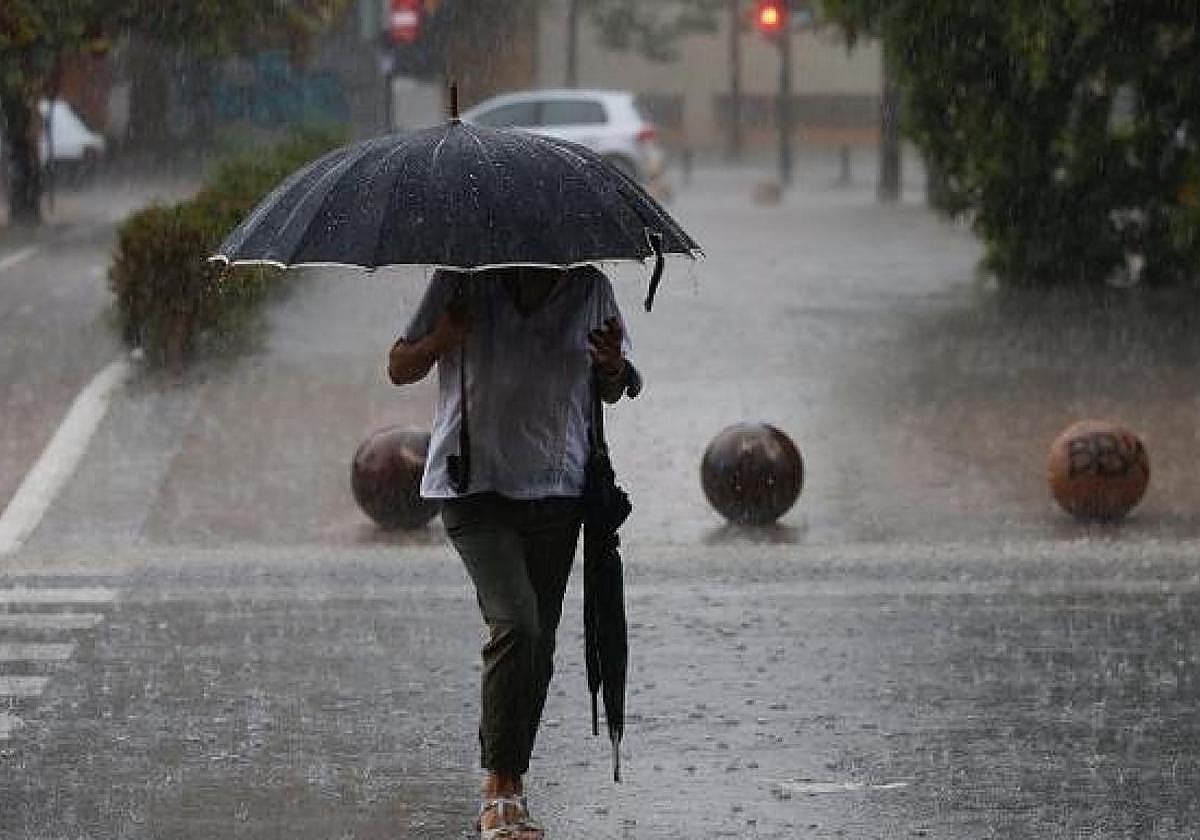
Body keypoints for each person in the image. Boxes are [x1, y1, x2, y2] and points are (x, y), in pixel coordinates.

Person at [388, 265, 633, 839]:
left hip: (557, 486)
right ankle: (498, 789)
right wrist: (444, 339)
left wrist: (614, 367)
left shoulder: (590, 286)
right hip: (473, 487)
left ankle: (511, 785)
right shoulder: (460, 279)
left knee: (538, 645)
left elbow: (613, 387)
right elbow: (399, 366)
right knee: (517, 624)